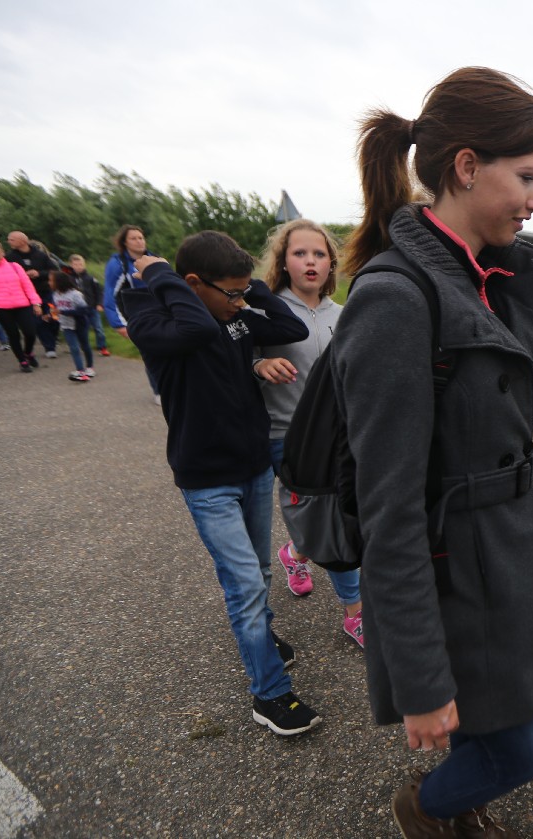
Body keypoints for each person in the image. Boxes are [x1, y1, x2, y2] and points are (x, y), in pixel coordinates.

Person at [334, 67, 533, 835]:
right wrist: (417, 675)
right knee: (525, 750)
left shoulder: (484, 277)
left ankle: (459, 801)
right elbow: (388, 506)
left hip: (503, 565)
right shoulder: (396, 298)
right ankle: (425, 804)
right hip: (456, 583)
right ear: (468, 166)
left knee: (497, 731)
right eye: (528, 176)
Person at [121, 231, 318, 737]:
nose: (239, 302)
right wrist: (159, 273)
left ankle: (262, 639)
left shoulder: (236, 313)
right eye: (231, 292)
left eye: (242, 292)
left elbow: (290, 325)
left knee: (260, 571)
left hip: (252, 465)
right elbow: (193, 328)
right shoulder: (150, 312)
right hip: (207, 480)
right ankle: (269, 694)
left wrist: (249, 290)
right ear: (191, 283)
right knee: (244, 584)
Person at [253, 219, 364, 647]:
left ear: (331, 263)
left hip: (335, 438)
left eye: (319, 254)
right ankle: (353, 611)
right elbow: (235, 359)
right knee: (325, 516)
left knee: (327, 516)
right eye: (300, 253)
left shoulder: (345, 314)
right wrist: (259, 364)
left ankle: (298, 557)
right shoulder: (263, 312)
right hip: (283, 436)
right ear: (283, 262)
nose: (310, 261)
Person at [104, 224, 160, 400]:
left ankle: (172, 387)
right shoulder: (117, 264)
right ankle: (159, 391)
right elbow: (110, 295)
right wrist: (119, 325)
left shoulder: (154, 259)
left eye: (141, 237)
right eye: (133, 238)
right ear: (125, 242)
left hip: (159, 314)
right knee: (151, 354)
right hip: (136, 317)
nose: (139, 241)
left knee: (167, 351)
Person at [0, 238, 41, 372]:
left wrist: (35, 303)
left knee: (30, 332)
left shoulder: (15, 266)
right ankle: (22, 360)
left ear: (3, 252)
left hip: (22, 304)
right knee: (13, 334)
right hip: (1, 307)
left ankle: (28, 353)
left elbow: (27, 285)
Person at [5, 231, 59, 357]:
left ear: (22, 241)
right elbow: (6, 275)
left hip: (46, 292)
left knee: (55, 317)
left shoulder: (40, 255)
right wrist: (23, 276)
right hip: (27, 295)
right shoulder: (9, 257)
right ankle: (49, 347)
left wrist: (39, 273)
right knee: (38, 321)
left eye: (12, 239)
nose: (8, 242)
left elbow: (54, 271)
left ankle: (54, 337)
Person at [50, 271, 94, 382]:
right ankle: (81, 371)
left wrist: (64, 312)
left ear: (59, 282)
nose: (49, 283)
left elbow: (84, 310)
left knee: (85, 345)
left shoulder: (75, 294)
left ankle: (90, 367)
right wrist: (50, 315)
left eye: (51, 280)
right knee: (74, 348)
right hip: (66, 325)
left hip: (80, 324)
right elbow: (57, 309)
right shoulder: (55, 295)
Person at [68, 254, 110, 356]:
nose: (78, 267)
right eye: (75, 264)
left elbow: (99, 292)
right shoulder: (69, 279)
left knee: (98, 328)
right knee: (82, 330)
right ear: (71, 265)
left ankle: (102, 347)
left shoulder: (91, 278)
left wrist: (99, 304)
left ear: (84, 265)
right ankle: (83, 347)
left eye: (80, 264)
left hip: (92, 308)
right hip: (78, 310)